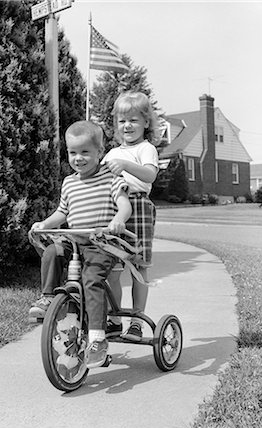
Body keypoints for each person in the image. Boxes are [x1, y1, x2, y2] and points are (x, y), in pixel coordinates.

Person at [29, 120, 132, 368]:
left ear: (100, 152)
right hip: (74, 242)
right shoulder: (69, 182)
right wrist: (45, 223)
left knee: (91, 280)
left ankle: (97, 339)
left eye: (85, 152)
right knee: (53, 250)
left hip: (101, 243)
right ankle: (46, 298)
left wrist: (118, 219)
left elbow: (125, 204)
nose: (79, 158)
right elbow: (61, 213)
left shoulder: (110, 177)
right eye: (73, 153)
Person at [102, 91, 160, 341]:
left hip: (138, 206)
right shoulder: (111, 153)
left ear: (146, 122)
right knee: (113, 268)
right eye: (122, 120)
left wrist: (125, 166)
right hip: (113, 208)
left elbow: (149, 176)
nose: (127, 125)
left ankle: (136, 320)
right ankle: (114, 319)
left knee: (138, 266)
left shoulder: (146, 149)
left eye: (134, 120)